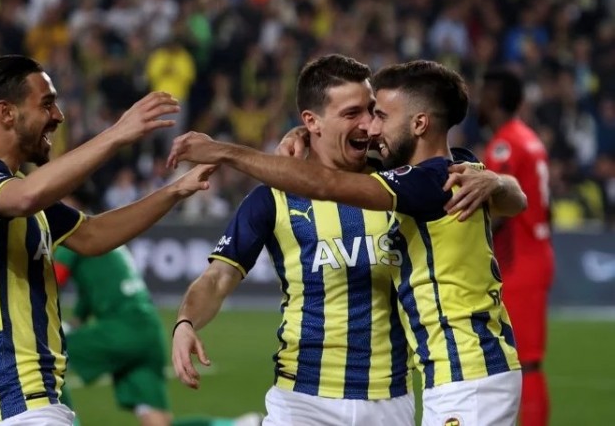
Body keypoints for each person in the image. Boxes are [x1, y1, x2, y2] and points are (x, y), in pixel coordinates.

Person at [167, 59, 525, 426]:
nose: (369, 125)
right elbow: (217, 278)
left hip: (392, 402)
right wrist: (185, 322)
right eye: (353, 113)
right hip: (302, 400)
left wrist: (498, 182)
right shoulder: (273, 198)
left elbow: (501, 191)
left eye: (373, 111)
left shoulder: (402, 179)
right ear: (312, 121)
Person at [0, 54, 216, 426]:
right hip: (10, 393)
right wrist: (116, 134)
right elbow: (25, 197)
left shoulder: (20, 191)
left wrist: (175, 190)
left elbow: (92, 235)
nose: (59, 116)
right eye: (46, 104)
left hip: (32, 396)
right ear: (6, 113)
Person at [54, 185, 263, 426]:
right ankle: (238, 425)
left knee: (46, 356)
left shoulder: (76, 234)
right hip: (148, 331)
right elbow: (92, 294)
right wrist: (75, 321)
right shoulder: (106, 237)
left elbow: (54, 278)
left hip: (121, 331)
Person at [476, 68, 554, 426]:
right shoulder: (528, 138)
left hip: (519, 260)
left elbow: (497, 210)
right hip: (533, 253)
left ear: (494, 99)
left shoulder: (505, 144)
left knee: (527, 361)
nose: (479, 101)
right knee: (518, 359)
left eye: (484, 94)